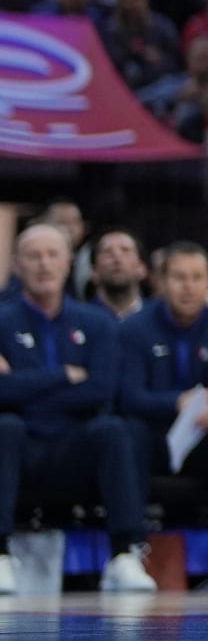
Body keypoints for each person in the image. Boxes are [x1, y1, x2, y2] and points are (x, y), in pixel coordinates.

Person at [0, 224, 156, 593]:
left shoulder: (97, 322)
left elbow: (100, 389)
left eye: (53, 254)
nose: (44, 264)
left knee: (113, 429)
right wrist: (63, 376)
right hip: (21, 441)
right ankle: (1, 555)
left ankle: (124, 555)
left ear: (69, 263)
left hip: (74, 442)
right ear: (16, 265)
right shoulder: (2, 321)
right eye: (34, 256)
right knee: (4, 426)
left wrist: (21, 384)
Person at [116, 243, 208, 590]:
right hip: (153, 437)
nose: (188, 287)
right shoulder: (133, 328)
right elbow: (129, 395)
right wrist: (178, 402)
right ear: (161, 281)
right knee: (123, 431)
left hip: (203, 437)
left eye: (197, 278)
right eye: (179, 277)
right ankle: (127, 551)